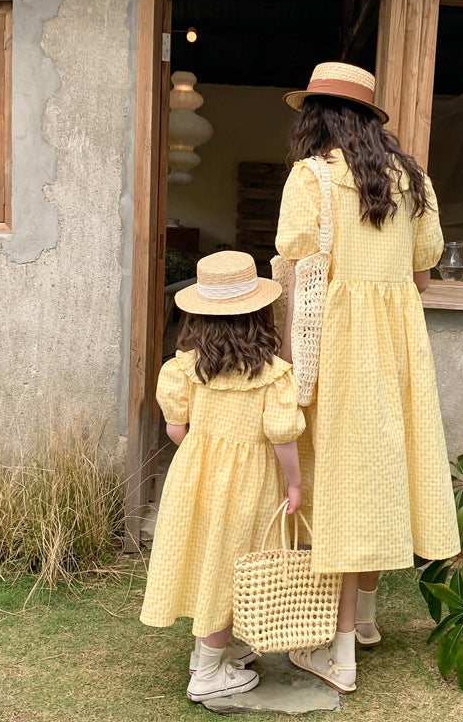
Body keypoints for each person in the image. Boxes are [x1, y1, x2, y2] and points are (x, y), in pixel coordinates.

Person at [276, 62, 461, 693]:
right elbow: (426, 256)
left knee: (337, 481)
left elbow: (294, 260)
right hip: (398, 344)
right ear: (368, 120)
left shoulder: (311, 179)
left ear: (316, 116)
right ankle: (369, 618)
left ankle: (339, 651)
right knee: (381, 473)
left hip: (336, 343)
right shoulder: (413, 179)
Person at [140, 250, 304, 703]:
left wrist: (201, 455)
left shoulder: (185, 367)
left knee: (209, 561)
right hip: (248, 484)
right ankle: (209, 674)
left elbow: (176, 427)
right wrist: (294, 483)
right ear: (260, 316)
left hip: (194, 476)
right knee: (232, 570)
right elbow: (282, 437)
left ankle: (207, 653)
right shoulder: (272, 375)